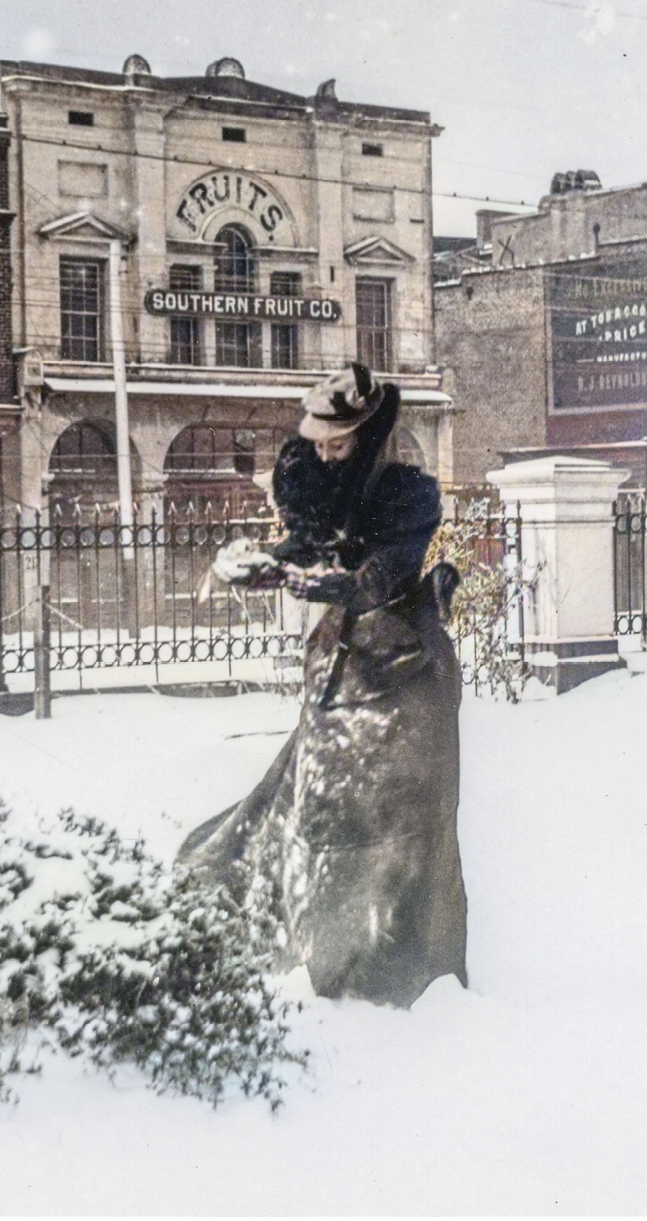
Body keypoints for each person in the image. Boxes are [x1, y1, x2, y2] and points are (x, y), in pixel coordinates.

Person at [177, 363, 467, 1008]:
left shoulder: (408, 493)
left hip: (405, 677)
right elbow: (306, 548)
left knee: (394, 829)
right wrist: (263, 566)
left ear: (368, 439)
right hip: (337, 669)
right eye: (318, 444)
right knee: (318, 812)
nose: (326, 455)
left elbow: (386, 574)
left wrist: (336, 585)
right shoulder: (306, 475)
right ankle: (316, 958)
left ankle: (392, 973)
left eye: (339, 445)